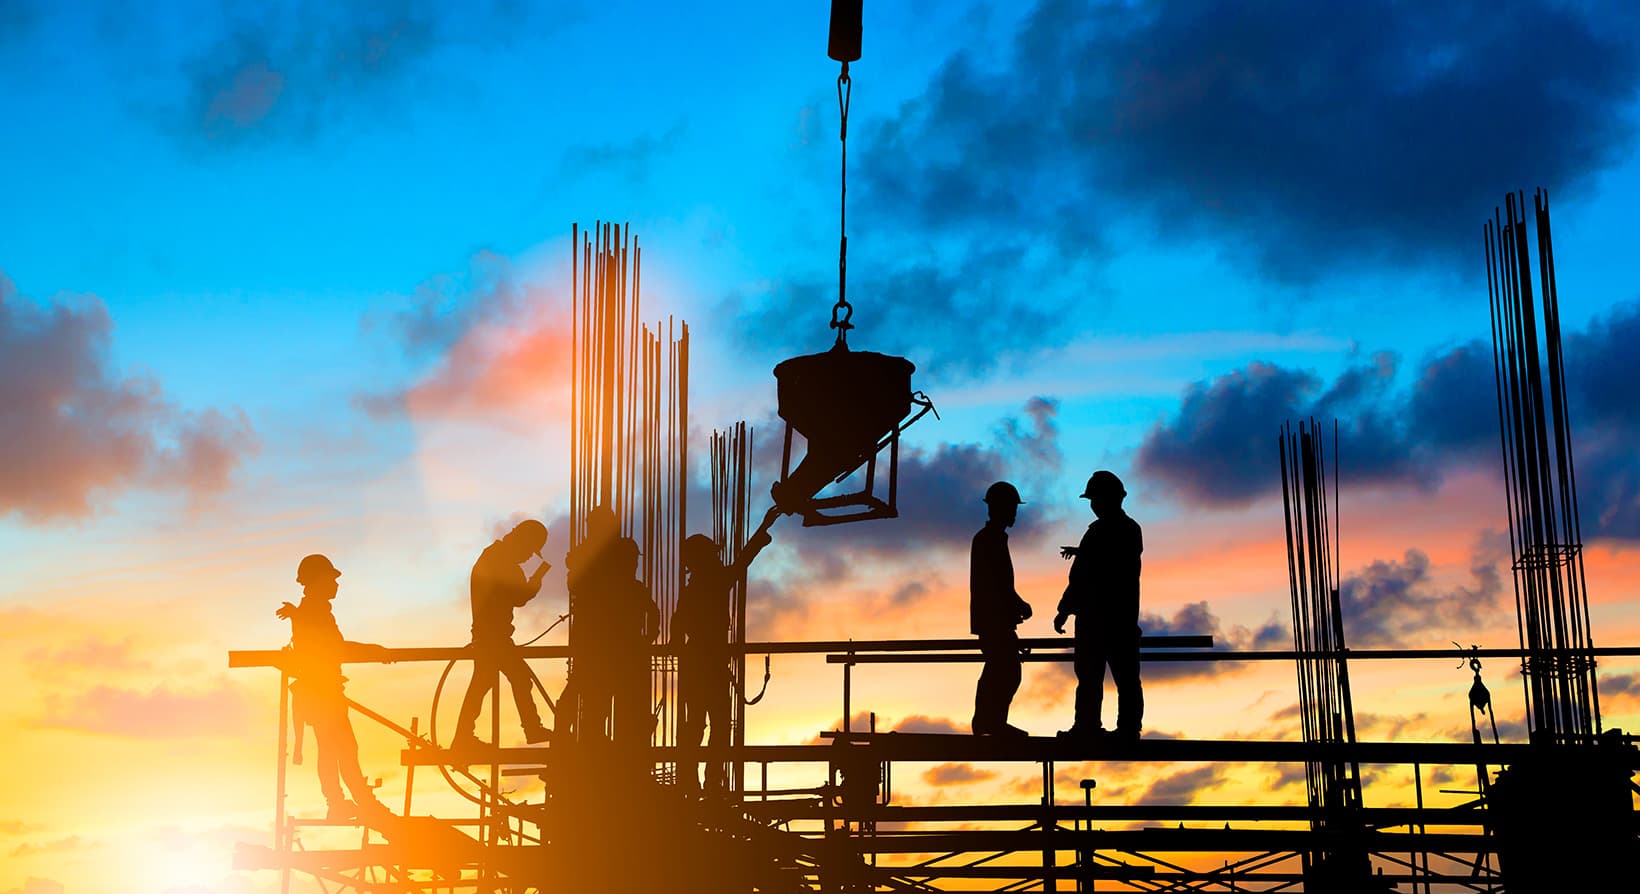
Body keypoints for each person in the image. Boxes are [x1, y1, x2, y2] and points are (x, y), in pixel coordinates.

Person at [276, 554, 390, 820]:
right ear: (317, 582)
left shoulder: (313, 611)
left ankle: (339, 803)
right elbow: (335, 649)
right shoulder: (314, 613)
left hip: (320, 694)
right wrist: (375, 651)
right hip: (323, 694)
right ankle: (356, 802)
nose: (336, 584)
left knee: (332, 749)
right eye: (331, 579)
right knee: (344, 749)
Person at [674, 523, 774, 793]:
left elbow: (677, 623)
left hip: (697, 663)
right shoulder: (713, 582)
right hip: (712, 664)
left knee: (696, 724)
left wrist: (678, 650)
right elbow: (739, 565)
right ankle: (711, 782)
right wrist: (759, 539)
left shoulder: (694, 587)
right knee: (717, 725)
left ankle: (692, 780)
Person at [1054, 471, 1144, 744]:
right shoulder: (1118, 530)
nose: (1093, 504)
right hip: (1113, 620)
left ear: (1110, 499)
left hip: (1105, 620)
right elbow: (1090, 569)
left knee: (1111, 678)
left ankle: (1100, 727)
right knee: (1102, 678)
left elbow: (1091, 573)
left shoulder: (1113, 532)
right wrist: (1067, 608)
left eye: (1096, 498)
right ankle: (1108, 727)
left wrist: (1065, 609)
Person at [451, 520, 552, 749]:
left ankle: (463, 738)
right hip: (493, 637)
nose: (528, 557)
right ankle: (532, 728)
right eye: (529, 550)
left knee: (483, 683)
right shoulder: (501, 561)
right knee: (518, 678)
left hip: (488, 635)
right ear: (522, 541)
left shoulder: (493, 556)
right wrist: (536, 580)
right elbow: (519, 597)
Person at [971, 482, 1033, 737]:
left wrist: (1013, 609)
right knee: (1005, 671)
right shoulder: (989, 540)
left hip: (996, 620)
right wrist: (1018, 605)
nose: (1014, 513)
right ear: (999, 508)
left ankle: (989, 721)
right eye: (1011, 508)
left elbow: (999, 584)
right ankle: (990, 722)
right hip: (993, 621)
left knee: (1001, 670)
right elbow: (996, 583)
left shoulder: (992, 538)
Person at [556, 506, 620, 742]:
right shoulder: (607, 554)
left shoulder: (589, 555)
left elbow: (575, 585)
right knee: (591, 685)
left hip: (596, 631)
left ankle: (575, 736)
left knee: (589, 686)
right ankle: (582, 736)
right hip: (601, 633)